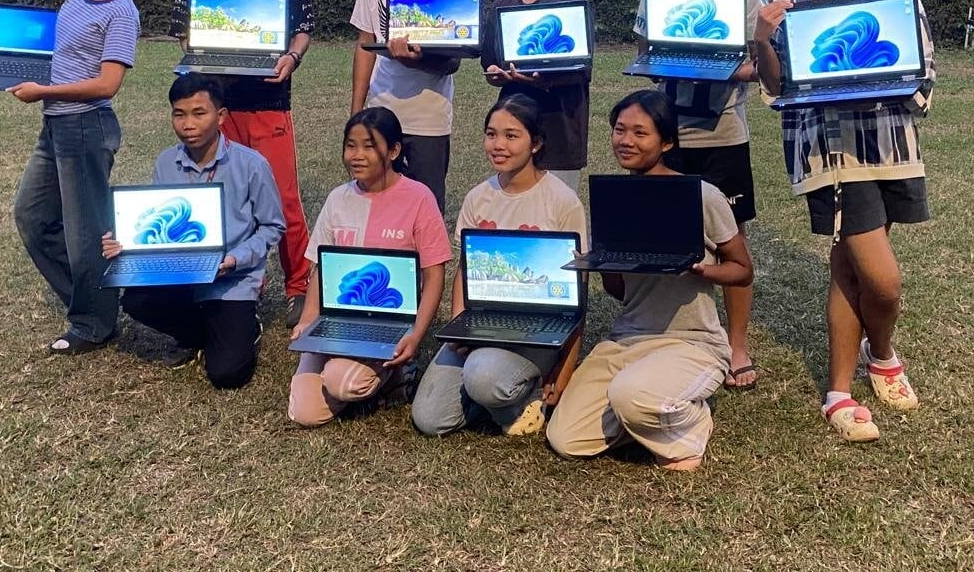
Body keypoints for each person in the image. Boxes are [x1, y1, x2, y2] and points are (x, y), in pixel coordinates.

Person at [754, 0, 935, 443]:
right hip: (830, 152)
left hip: (891, 146)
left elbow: (923, 67)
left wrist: (890, 82)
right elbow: (775, 86)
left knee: (849, 267)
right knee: (882, 280)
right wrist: (763, 37)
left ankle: (841, 387)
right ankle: (880, 354)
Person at [0, 0, 141, 355]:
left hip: (86, 127)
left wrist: (45, 91)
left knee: (85, 238)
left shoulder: (122, 11)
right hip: (56, 126)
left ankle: (94, 323)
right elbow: (49, 57)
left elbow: (107, 84)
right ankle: (96, 304)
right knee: (32, 217)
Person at [545, 90, 753, 471]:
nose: (626, 141)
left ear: (667, 142)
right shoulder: (614, 199)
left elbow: (742, 270)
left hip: (692, 343)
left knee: (629, 395)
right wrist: (601, 264)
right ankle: (644, 412)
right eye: (619, 130)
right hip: (628, 340)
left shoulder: (701, 195)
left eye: (640, 133)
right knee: (566, 438)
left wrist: (703, 270)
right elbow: (620, 292)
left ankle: (690, 425)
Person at [632, 0, 766, 390]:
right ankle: (662, 332)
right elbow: (645, 55)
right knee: (661, 234)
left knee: (731, 241)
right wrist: (662, 61)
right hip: (667, 135)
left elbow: (765, 68)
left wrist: (728, 70)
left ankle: (736, 346)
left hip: (723, 136)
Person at [171, 0, 315, 326]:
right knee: (222, 197)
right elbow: (184, 35)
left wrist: (290, 56)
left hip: (269, 102)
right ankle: (240, 283)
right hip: (216, 108)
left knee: (283, 198)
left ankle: (300, 287)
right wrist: (206, 57)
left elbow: (304, 27)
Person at [411, 94, 588, 438]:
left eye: (511, 135)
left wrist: (564, 373)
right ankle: (494, 395)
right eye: (491, 134)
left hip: (539, 331)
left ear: (536, 143)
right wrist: (460, 329)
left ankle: (520, 394)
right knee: (431, 419)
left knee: (482, 374)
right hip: (484, 323)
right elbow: (464, 270)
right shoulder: (478, 197)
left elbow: (578, 298)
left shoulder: (563, 202)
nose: (498, 145)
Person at [100, 74, 285, 388]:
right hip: (179, 273)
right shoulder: (165, 162)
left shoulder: (252, 165)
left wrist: (235, 259)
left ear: (221, 117)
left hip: (231, 279)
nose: (188, 124)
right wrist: (126, 243)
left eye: (199, 113)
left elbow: (272, 226)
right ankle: (197, 332)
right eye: (179, 114)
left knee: (227, 374)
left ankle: (242, 325)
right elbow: (158, 219)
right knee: (135, 301)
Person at [288, 107, 450, 427]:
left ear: (393, 150)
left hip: (391, 323)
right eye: (351, 145)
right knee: (304, 414)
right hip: (337, 318)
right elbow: (321, 268)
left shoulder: (419, 198)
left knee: (340, 381)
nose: (357, 155)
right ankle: (356, 367)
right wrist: (308, 321)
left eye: (369, 145)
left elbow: (434, 276)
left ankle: (396, 376)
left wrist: (416, 336)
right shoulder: (338, 198)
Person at [350, 0, 465, 211]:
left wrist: (414, 61)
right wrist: (356, 112)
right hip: (382, 108)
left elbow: (453, 63)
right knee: (376, 202)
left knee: (425, 207)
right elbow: (365, 43)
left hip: (429, 117)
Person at [480, 0, 591, 192]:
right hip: (514, 127)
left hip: (560, 130)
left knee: (557, 215)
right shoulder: (501, 6)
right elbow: (490, 62)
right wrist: (495, 74)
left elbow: (582, 70)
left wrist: (543, 80)